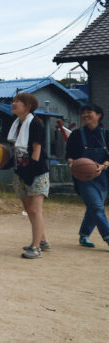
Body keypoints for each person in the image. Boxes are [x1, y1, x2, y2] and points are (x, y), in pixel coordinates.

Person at [7, 93, 50, 259]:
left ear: (28, 106)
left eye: (18, 101)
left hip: (36, 172)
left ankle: (36, 247)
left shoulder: (35, 124)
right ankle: (43, 240)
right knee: (27, 209)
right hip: (21, 172)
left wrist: (30, 173)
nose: (14, 103)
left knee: (34, 209)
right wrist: (6, 163)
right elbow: (16, 152)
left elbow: (36, 151)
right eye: (14, 100)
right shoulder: (16, 124)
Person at [65, 103, 109, 249]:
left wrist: (103, 166)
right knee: (97, 206)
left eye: (89, 111)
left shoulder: (106, 135)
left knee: (93, 207)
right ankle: (108, 237)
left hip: (103, 177)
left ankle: (84, 235)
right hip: (83, 178)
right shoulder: (76, 135)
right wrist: (72, 164)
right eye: (83, 112)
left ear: (99, 115)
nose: (85, 115)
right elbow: (69, 156)